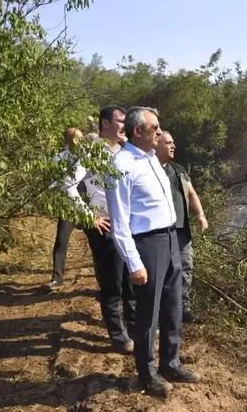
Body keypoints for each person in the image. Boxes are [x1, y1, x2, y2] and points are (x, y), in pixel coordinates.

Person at [106, 107, 199, 397]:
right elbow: (119, 223)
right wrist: (134, 262)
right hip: (147, 245)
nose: (159, 132)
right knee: (148, 313)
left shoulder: (151, 160)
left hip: (171, 239)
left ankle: (170, 362)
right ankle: (147, 374)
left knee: (173, 306)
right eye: (155, 127)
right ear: (138, 131)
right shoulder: (121, 165)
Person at [63, 105, 136, 354]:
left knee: (131, 278)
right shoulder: (91, 152)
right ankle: (118, 336)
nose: (124, 125)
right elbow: (68, 184)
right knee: (112, 282)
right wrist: (88, 217)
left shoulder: (127, 151)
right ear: (105, 123)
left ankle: (135, 327)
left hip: (128, 225)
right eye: (120, 120)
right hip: (104, 225)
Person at [155, 131, 208, 323]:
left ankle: (182, 307)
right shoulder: (148, 169)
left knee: (185, 267)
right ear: (157, 144)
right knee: (160, 270)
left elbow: (192, 193)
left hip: (181, 231)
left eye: (173, 142)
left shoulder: (178, 170)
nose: (173, 146)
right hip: (158, 232)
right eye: (168, 142)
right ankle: (159, 308)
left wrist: (200, 215)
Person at [45, 127, 84, 291]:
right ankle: (57, 277)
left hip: (88, 204)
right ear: (67, 139)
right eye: (74, 137)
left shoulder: (88, 156)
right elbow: (53, 183)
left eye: (79, 137)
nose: (77, 140)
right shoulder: (58, 158)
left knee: (99, 242)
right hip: (69, 205)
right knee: (61, 240)